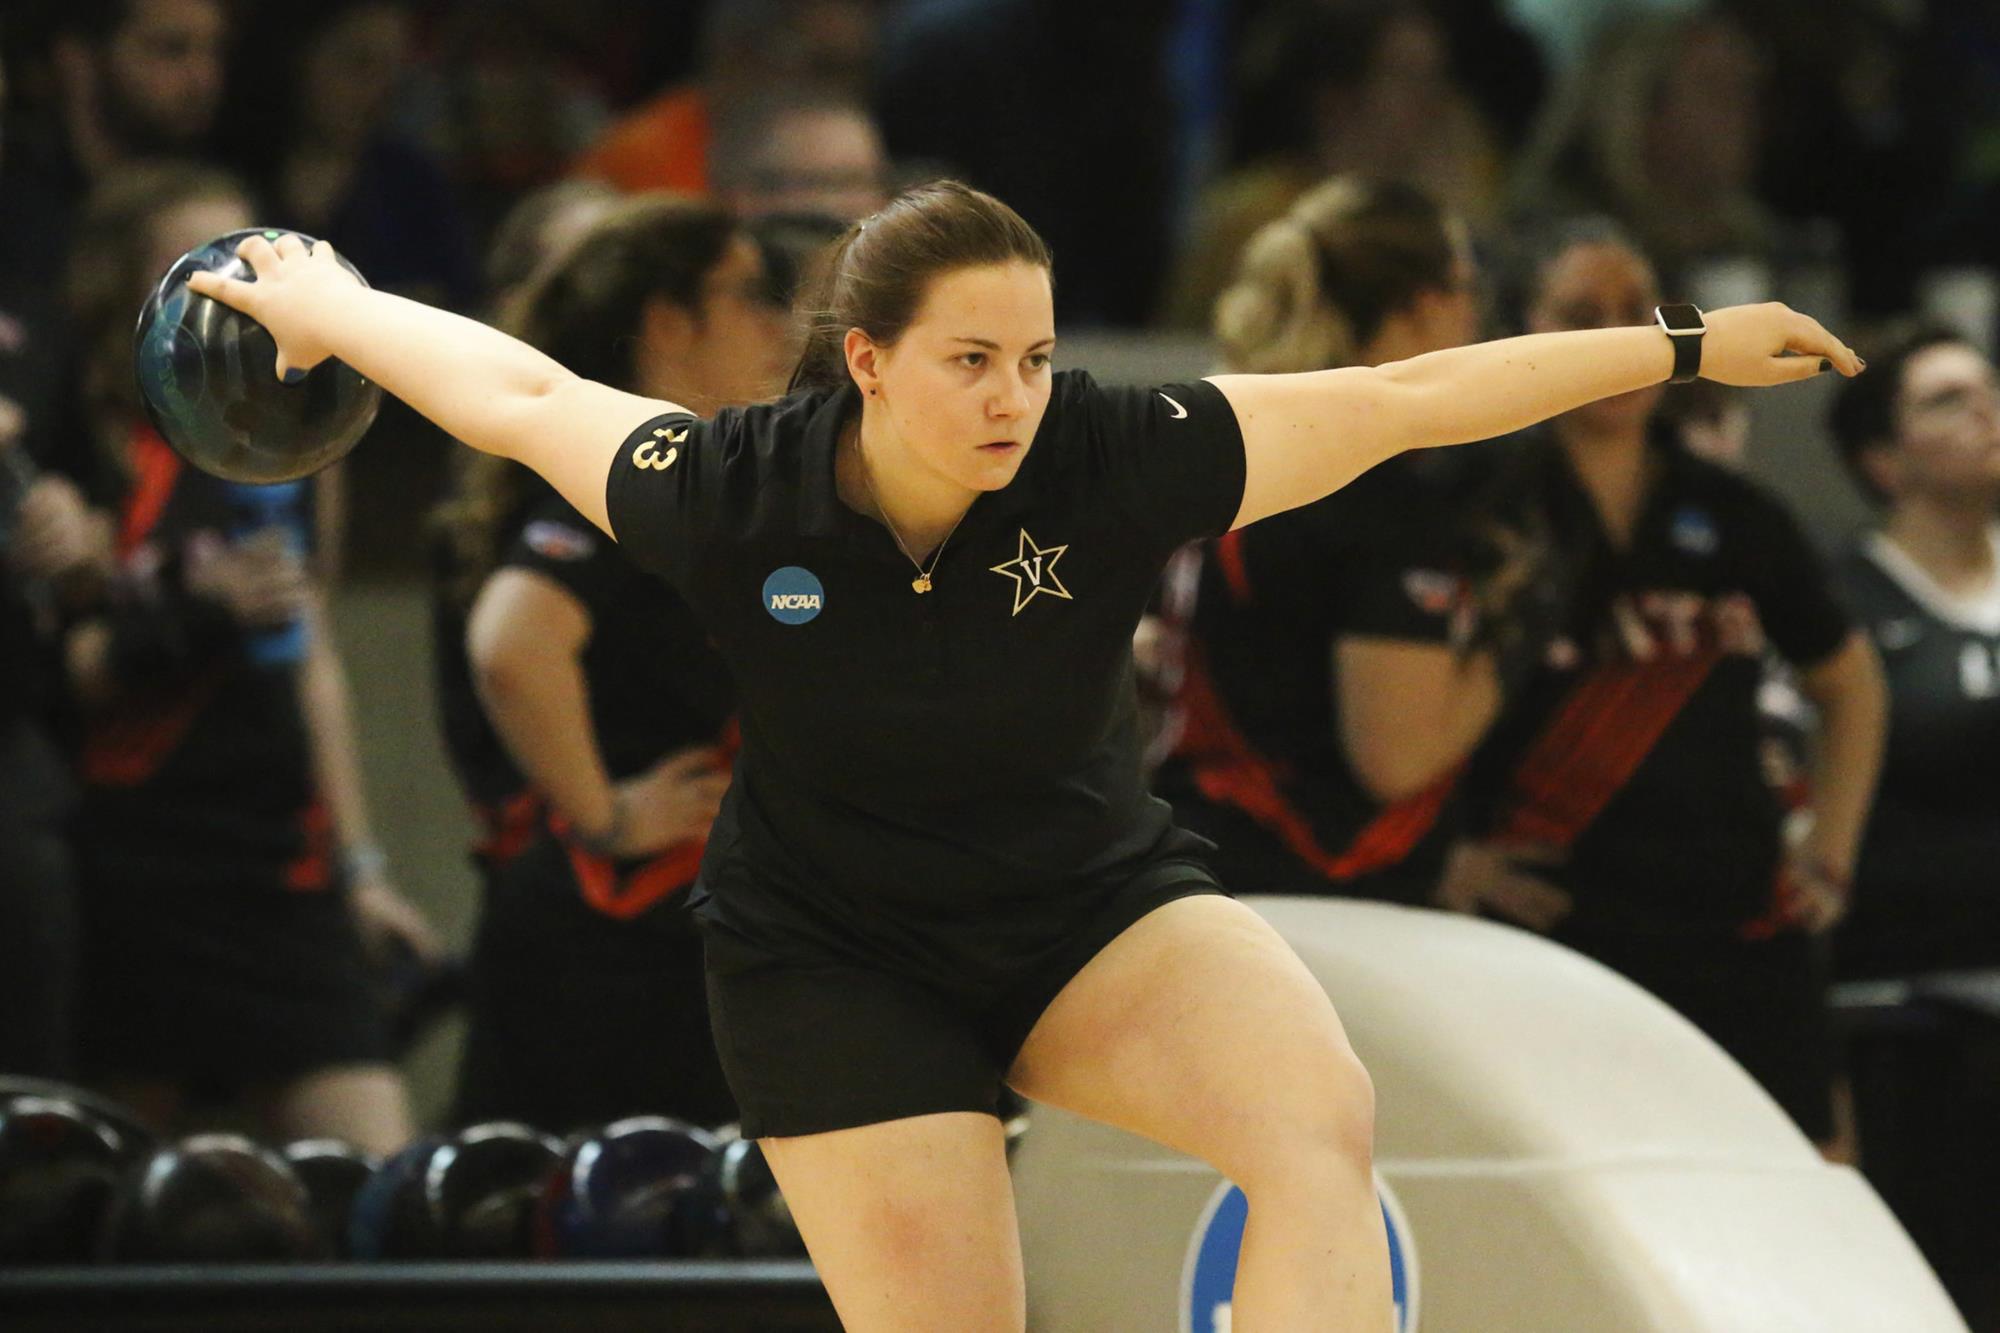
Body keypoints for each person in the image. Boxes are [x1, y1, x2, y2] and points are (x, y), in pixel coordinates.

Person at [188, 179, 1859, 1330]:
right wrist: (339, 308)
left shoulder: (1116, 457)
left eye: (1040, 357)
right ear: (866, 362)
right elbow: (514, 391)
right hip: (834, 954)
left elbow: (1406, 395)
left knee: (1316, 1118)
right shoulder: (731, 486)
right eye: (971, 362)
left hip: (1086, 907)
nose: (1014, 396)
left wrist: (1690, 345)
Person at [1440, 222, 1885, 1156]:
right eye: (1581, 314)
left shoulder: (1734, 509)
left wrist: (1830, 853)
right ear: (1527, 326)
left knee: (1811, 1187)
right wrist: (1449, 860)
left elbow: (1849, 683)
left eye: (1639, 314)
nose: (1616, 337)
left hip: (1736, 914)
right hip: (1553, 921)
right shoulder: (1473, 505)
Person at [58, 163, 434, 1157]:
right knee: (109, 1202)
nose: (243, 286)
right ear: (129, 290)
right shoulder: (77, 444)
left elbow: (311, 658)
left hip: (276, 857)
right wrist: (192, 606)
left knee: (374, 1176)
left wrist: (360, 868)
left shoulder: (301, 433)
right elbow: (62, 678)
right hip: (133, 854)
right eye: (204, 265)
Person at [431, 195, 792, 1132]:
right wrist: (607, 813)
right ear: (670, 324)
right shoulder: (634, 467)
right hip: (606, 940)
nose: (776, 325)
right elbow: (513, 644)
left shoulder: (689, 480)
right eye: (751, 295)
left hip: (655, 941)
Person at [1154, 177, 1520, 905]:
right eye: (1465, 287)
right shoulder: (1371, 495)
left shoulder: (1225, 449)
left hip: (1182, 861)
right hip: (1314, 891)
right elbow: (1396, 756)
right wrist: (1523, 622)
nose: (1477, 316)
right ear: (1419, 309)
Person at [1826, 323, 2000, 978]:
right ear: (1884, 460)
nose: (1987, 410)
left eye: (1990, 387)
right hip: (1910, 979)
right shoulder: (1841, 604)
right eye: (1947, 399)